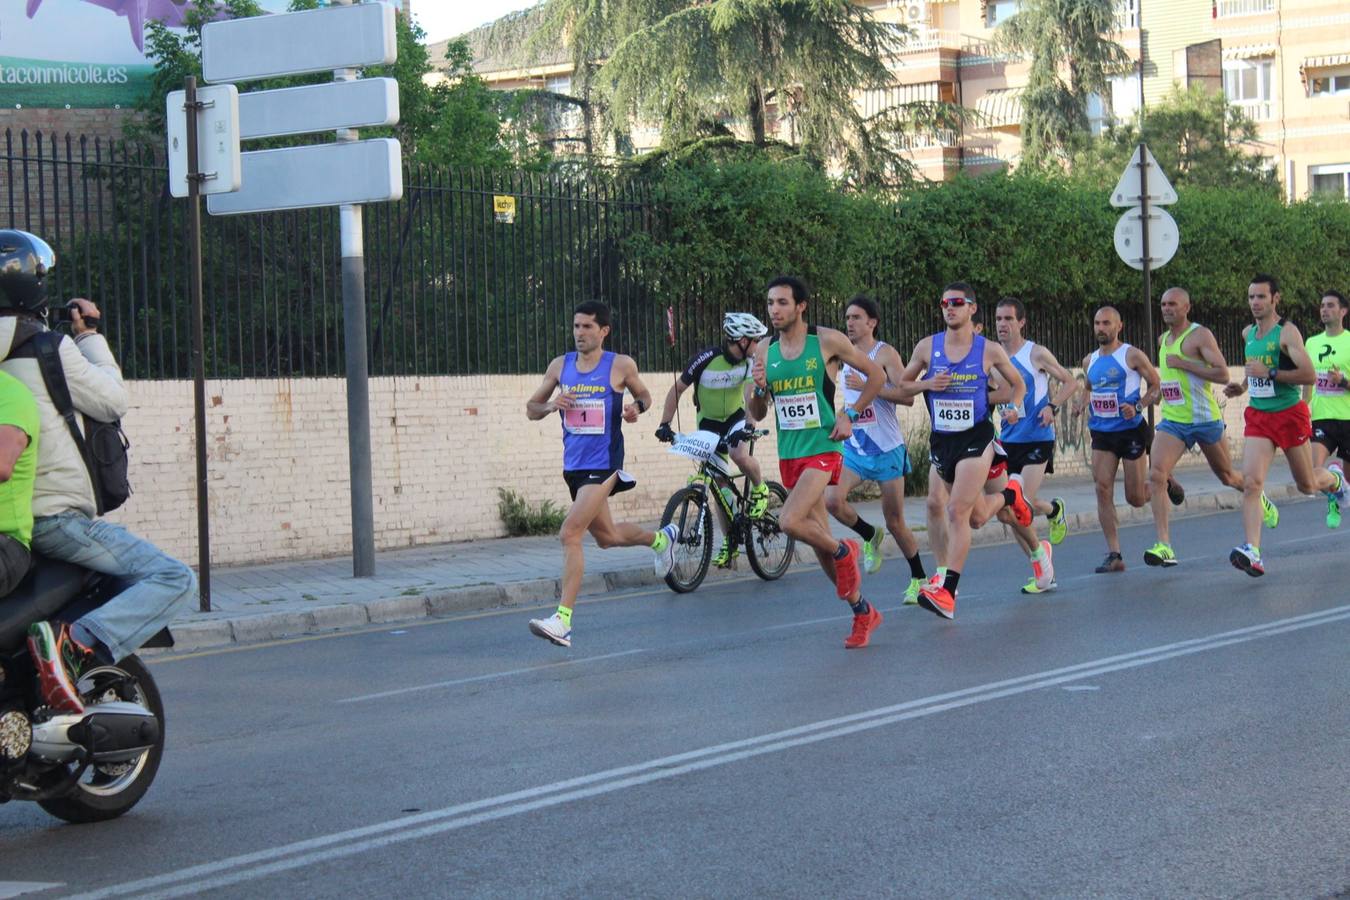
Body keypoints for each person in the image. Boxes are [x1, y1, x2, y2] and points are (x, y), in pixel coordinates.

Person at [0, 229, 197, 715]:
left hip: (12, 525)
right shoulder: (47, 346)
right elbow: (112, 400)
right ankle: (77, 644)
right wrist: (88, 334)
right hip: (56, 519)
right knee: (174, 577)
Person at [525, 300, 678, 647]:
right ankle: (662, 540)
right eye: (576, 326)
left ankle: (562, 620)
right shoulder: (560, 366)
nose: (579, 333)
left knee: (569, 533)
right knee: (606, 537)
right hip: (574, 467)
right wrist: (551, 406)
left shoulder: (619, 365)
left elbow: (645, 396)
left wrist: (635, 409)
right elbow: (531, 409)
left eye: (587, 327)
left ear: (603, 331)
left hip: (605, 463)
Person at [747, 276, 888, 648]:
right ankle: (863, 613)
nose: (774, 310)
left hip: (825, 448)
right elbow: (757, 412)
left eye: (781, 303)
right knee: (821, 547)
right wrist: (759, 388)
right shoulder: (764, 350)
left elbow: (876, 375)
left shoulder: (826, 341)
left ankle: (849, 548)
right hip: (790, 453)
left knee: (789, 521)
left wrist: (851, 415)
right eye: (770, 304)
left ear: (800, 306)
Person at [896, 282, 1036, 619]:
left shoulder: (988, 350)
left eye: (957, 302)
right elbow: (901, 385)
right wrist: (928, 384)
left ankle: (947, 591)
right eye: (945, 302)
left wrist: (1014, 406)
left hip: (978, 437)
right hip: (943, 441)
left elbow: (1018, 384)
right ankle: (1010, 495)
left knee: (956, 511)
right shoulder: (928, 347)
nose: (950, 308)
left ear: (972, 308)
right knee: (974, 518)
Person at [1143, 287, 1277, 566]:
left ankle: (1257, 495)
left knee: (1228, 477)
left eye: (1173, 304)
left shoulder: (1200, 336)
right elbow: (1171, 380)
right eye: (1163, 304)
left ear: (1186, 307)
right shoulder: (1163, 339)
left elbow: (1222, 373)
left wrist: (1183, 363)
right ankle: (1164, 545)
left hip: (1205, 419)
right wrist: (1158, 393)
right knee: (1156, 475)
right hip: (1174, 421)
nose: (1167, 308)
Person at [1223, 275, 1346, 576]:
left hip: (1289, 415)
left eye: (1261, 297)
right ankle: (1253, 551)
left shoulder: (1287, 333)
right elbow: (1256, 370)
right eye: (1251, 297)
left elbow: (1306, 375)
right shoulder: (1247, 333)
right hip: (1260, 416)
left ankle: (1335, 480)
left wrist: (1272, 372)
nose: (1255, 303)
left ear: (1275, 298)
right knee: (1252, 483)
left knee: (1306, 484)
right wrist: (1243, 386)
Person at [823, 295, 927, 603]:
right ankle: (869, 535)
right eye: (847, 318)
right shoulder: (843, 354)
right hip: (855, 447)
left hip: (887, 450)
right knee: (832, 500)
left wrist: (873, 385)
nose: (850, 323)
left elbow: (906, 396)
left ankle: (919, 577)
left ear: (872, 322)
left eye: (856, 318)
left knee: (895, 521)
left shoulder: (885, 353)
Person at [655, 312, 769, 568]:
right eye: (754, 340)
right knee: (718, 487)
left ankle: (761, 490)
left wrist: (748, 426)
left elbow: (751, 395)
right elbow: (677, 389)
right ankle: (731, 540)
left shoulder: (751, 362)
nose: (757, 345)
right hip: (708, 424)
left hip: (736, 420)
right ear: (741, 340)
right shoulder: (705, 359)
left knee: (739, 455)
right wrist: (665, 423)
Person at [1075, 306, 1171, 574]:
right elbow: (1089, 388)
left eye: (1106, 323)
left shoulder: (1131, 355)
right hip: (1102, 433)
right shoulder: (1089, 361)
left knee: (1136, 498)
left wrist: (1138, 406)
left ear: (1119, 326)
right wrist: (1081, 404)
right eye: (1097, 323)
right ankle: (1114, 554)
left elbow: (1157, 387)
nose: (1101, 328)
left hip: (1130, 431)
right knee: (1101, 488)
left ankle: (1162, 482)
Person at [992, 298, 1077, 593]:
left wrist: (1052, 406)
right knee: (1010, 512)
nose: (1002, 324)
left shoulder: (1036, 353)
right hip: (1008, 441)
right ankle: (1041, 563)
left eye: (1008, 319)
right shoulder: (991, 357)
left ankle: (1052, 514)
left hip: (1038, 437)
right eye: (999, 319)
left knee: (1020, 502)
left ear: (1021, 322)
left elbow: (1069, 382)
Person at [1304, 289, 1350, 529]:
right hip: (1322, 417)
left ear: (1343, 311)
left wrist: (1342, 381)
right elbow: (1307, 380)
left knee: (1349, 485)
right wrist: (1303, 410)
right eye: (1322, 305)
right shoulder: (1311, 343)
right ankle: (1333, 491)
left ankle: (1338, 487)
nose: (1325, 309)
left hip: (1348, 418)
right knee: (1312, 475)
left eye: (1331, 305)